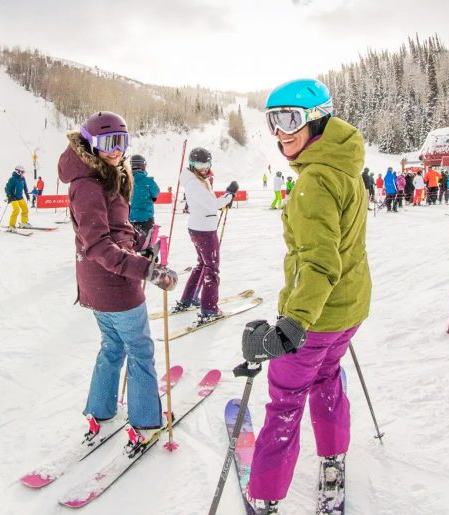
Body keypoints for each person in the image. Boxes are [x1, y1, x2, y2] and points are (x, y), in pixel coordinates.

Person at [242, 78, 371, 513]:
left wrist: (293, 323)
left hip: (316, 316)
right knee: (326, 378)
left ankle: (265, 497)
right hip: (347, 311)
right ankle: (333, 461)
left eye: (291, 119)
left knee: (285, 401)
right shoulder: (345, 166)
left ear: (318, 119)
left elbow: (319, 262)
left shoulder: (315, 182)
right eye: (273, 121)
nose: (280, 133)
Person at [57, 110, 178, 435]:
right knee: (139, 349)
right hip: (114, 283)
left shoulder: (99, 177)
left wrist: (142, 244)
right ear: (90, 145)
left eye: (121, 142)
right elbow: (98, 244)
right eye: (107, 143)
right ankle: (145, 419)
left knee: (112, 345)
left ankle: (100, 409)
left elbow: (116, 229)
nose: (116, 150)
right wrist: (147, 270)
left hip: (98, 283)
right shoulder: (89, 186)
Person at [173, 147, 237, 323]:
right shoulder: (194, 183)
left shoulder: (198, 179)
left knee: (203, 264)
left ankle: (189, 298)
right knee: (211, 268)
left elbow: (209, 203)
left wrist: (226, 198)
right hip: (204, 231)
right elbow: (211, 204)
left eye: (206, 163)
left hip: (200, 227)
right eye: (199, 164)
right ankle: (209, 308)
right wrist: (229, 196)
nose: (204, 167)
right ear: (191, 164)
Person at [129, 154, 161, 250]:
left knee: (132, 240)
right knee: (147, 241)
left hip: (129, 218)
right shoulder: (148, 181)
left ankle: (132, 255)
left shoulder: (126, 179)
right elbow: (156, 192)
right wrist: (153, 197)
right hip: (146, 218)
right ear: (142, 166)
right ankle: (147, 255)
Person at [5, 165, 32, 231]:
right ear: (18, 171)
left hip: (20, 197)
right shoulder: (12, 179)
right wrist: (9, 196)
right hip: (13, 198)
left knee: (25, 209)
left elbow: (25, 187)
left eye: (23, 172)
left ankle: (24, 223)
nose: (23, 173)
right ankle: (11, 226)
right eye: (22, 172)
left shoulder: (22, 178)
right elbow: (7, 188)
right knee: (16, 210)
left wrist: (27, 194)